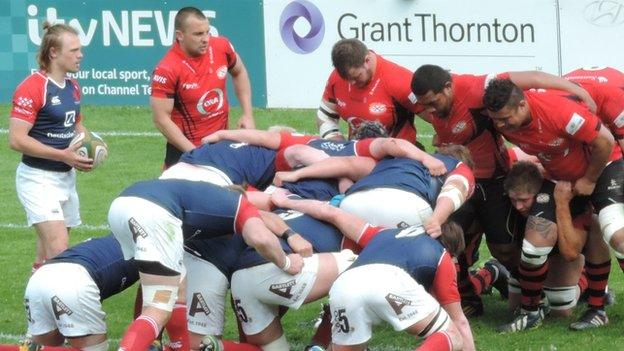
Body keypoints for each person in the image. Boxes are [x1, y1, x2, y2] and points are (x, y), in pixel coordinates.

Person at [410, 65, 597, 316]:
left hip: (494, 181)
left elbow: (534, 77)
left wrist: (576, 90)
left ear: (448, 86)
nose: (429, 111)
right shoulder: (431, 104)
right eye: (424, 106)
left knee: (506, 249)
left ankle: (536, 290)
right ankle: (469, 298)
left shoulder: (477, 87)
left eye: (433, 102)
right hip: (459, 181)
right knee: (449, 238)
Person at [483, 78, 623, 331]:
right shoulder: (501, 118)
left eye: (505, 119)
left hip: (601, 170)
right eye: (496, 120)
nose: (501, 125)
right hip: (562, 181)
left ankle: (597, 307)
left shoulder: (557, 112)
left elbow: (605, 141)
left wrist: (590, 180)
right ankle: (531, 313)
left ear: (523, 105)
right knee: (533, 248)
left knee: (618, 236)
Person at [107, 179, 303, 351]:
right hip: (154, 213)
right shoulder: (240, 206)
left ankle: (180, 348)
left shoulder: (210, 199)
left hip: (122, 206)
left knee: (179, 285)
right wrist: (287, 262)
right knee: (158, 307)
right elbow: (260, 238)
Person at [270, 193, 475, 351]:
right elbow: (460, 321)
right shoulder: (441, 255)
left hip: (344, 285)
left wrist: (287, 202)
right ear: (450, 249)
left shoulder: (383, 234)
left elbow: (331, 212)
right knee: (452, 334)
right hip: (389, 280)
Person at [9, 22, 94, 270]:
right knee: (60, 250)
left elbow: (76, 125)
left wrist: (90, 146)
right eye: (74, 50)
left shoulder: (72, 86)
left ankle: (36, 302)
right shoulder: (32, 87)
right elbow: (17, 139)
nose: (81, 55)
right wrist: (62, 155)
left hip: (65, 177)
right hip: (38, 179)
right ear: (54, 53)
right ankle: (64, 306)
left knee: (48, 253)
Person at [151, 7, 254, 168]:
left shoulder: (221, 46)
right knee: (178, 193)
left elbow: (239, 72)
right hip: (185, 152)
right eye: (198, 34)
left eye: (207, 32)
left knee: (235, 190)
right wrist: (196, 154)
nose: (205, 39)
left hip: (221, 144)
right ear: (180, 36)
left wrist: (247, 114)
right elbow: (161, 119)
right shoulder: (167, 69)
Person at [22, 234, 138, 351]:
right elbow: (152, 304)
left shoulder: (115, 234)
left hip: (39, 279)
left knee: (48, 345)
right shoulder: (150, 249)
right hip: (74, 283)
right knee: (96, 348)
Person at [317, 38, 425, 143]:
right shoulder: (337, 78)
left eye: (356, 76)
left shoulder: (399, 81)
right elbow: (325, 116)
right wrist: (336, 143)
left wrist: (441, 142)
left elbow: (435, 114)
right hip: (357, 155)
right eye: (346, 78)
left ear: (367, 61)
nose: (351, 83)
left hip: (398, 157)